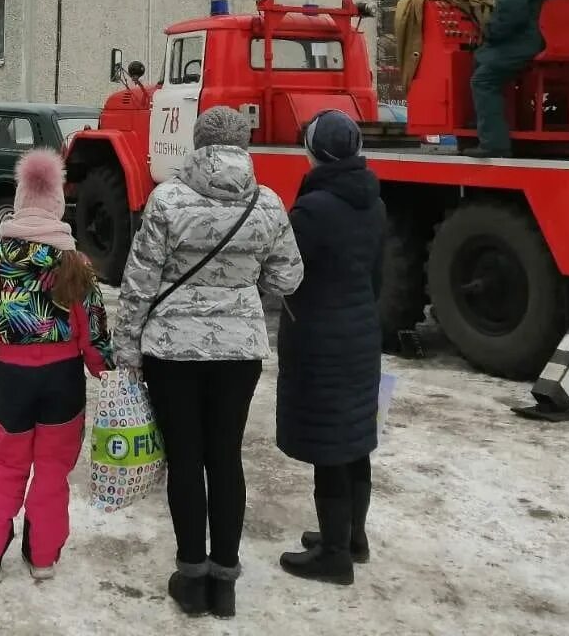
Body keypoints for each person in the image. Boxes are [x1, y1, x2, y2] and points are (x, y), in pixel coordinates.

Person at [113, 106, 302, 619]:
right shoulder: (268, 203)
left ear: (198, 143)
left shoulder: (167, 199)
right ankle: (225, 579)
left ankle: (191, 575)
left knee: (185, 458)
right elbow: (288, 278)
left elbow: (140, 282)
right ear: (244, 144)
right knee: (225, 456)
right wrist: (245, 290)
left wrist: (126, 347)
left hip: (172, 350)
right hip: (239, 350)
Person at [0, 149, 114, 584]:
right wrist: (104, 368)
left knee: (6, 464)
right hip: (63, 382)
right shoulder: (74, 264)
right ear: (56, 206)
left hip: (12, 378)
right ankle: (42, 556)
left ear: (21, 201)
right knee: (52, 470)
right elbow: (94, 327)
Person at [276, 110, 387, 587]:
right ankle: (352, 537)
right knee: (355, 441)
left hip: (321, 340)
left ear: (316, 152)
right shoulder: (374, 202)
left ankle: (334, 555)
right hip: (362, 336)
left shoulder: (313, 210)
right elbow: (378, 276)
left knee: (329, 447)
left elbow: (285, 275)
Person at [466, 0, 569, 157]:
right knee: (483, 58)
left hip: (527, 41)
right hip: (547, 39)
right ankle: (485, 121)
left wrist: (489, 32)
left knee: (483, 79)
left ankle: (494, 144)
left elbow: (511, 12)